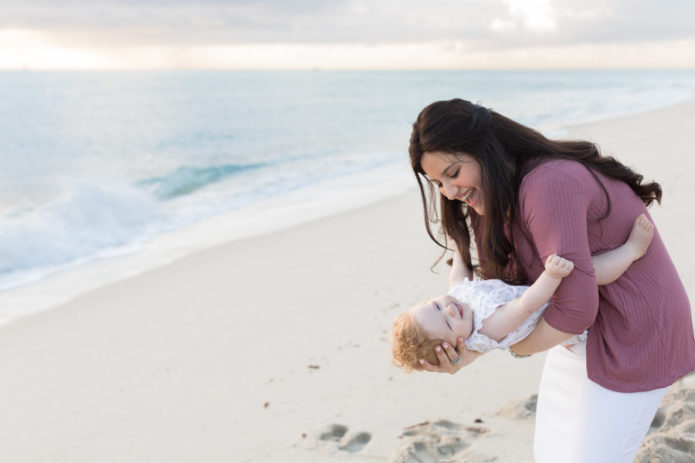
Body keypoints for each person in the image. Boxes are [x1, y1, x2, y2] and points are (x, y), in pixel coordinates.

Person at [407, 98, 695, 463]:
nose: (448, 192)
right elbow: (514, 292)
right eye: (437, 182)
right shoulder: (487, 200)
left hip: (633, 333)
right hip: (571, 335)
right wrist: (472, 345)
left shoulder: (549, 183)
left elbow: (575, 310)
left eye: (453, 173)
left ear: (486, 150)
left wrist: (497, 347)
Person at [392, 216, 654, 371]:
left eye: (437, 306)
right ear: (456, 343)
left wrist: (456, 245)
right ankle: (632, 250)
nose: (449, 309)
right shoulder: (487, 328)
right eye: (448, 323)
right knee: (586, 274)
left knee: (580, 271)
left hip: (539, 291)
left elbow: (458, 274)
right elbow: (525, 306)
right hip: (554, 307)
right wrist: (551, 276)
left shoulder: (459, 301)